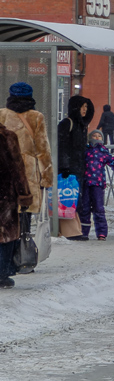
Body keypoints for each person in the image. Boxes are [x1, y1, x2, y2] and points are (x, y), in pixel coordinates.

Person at [0, 82, 52, 264]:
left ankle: (7, 258)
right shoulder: (36, 117)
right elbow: (43, 150)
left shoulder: (2, 114)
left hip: (5, 171)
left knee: (6, 217)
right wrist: (46, 178)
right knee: (25, 214)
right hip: (28, 171)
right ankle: (21, 254)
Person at [80, 130, 114, 240]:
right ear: (90, 137)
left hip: (98, 184)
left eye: (99, 136)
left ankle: (101, 233)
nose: (97, 137)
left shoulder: (103, 152)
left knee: (99, 208)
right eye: (94, 135)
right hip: (85, 183)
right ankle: (83, 232)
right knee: (84, 208)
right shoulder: (84, 150)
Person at [58, 96, 96, 237]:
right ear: (76, 108)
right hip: (68, 170)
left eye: (86, 107)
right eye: (82, 107)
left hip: (78, 169)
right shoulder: (67, 124)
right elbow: (61, 147)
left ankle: (74, 230)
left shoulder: (82, 126)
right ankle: (69, 231)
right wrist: (64, 166)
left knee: (75, 200)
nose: (85, 110)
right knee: (67, 200)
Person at [0, 121, 31, 288]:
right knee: (6, 235)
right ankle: (2, 274)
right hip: (5, 194)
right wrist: (24, 194)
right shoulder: (7, 137)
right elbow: (17, 169)